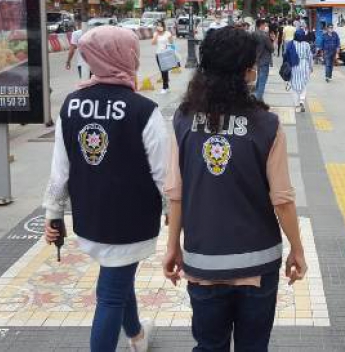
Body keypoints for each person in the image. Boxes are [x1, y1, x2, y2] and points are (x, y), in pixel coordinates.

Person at [163, 27, 307, 352]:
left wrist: (173, 246)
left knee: (209, 346)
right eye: (252, 65)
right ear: (245, 71)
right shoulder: (267, 124)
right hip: (258, 262)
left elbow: (175, 192)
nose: (255, 71)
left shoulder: (184, 120)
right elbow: (282, 199)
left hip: (203, 260)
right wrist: (297, 249)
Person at [43, 26, 167, 351]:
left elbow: (61, 169)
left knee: (117, 277)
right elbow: (164, 175)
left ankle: (137, 335)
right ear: (127, 56)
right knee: (111, 293)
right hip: (132, 221)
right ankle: (131, 337)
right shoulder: (144, 110)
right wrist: (177, 214)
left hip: (91, 217)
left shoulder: (71, 105)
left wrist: (54, 214)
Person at [287, 30, 313, 112]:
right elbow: (310, 57)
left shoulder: (291, 44)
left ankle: (297, 105)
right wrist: (311, 67)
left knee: (294, 86)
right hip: (304, 66)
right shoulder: (307, 45)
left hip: (294, 66)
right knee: (304, 84)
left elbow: (286, 55)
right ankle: (302, 100)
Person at [152, 20, 174, 94]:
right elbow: (153, 43)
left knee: (165, 70)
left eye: (160, 25)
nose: (159, 27)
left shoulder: (167, 33)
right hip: (158, 54)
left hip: (166, 54)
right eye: (158, 25)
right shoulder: (155, 33)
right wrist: (157, 34)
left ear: (163, 26)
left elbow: (171, 43)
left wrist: (170, 38)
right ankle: (166, 87)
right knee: (162, 71)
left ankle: (164, 87)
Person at [254, 19, 274, 101]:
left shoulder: (253, 34)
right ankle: (258, 99)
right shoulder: (265, 36)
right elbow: (271, 48)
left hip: (257, 59)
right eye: (264, 25)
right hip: (264, 60)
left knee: (259, 79)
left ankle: (257, 96)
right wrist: (272, 40)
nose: (265, 26)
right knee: (262, 80)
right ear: (261, 25)